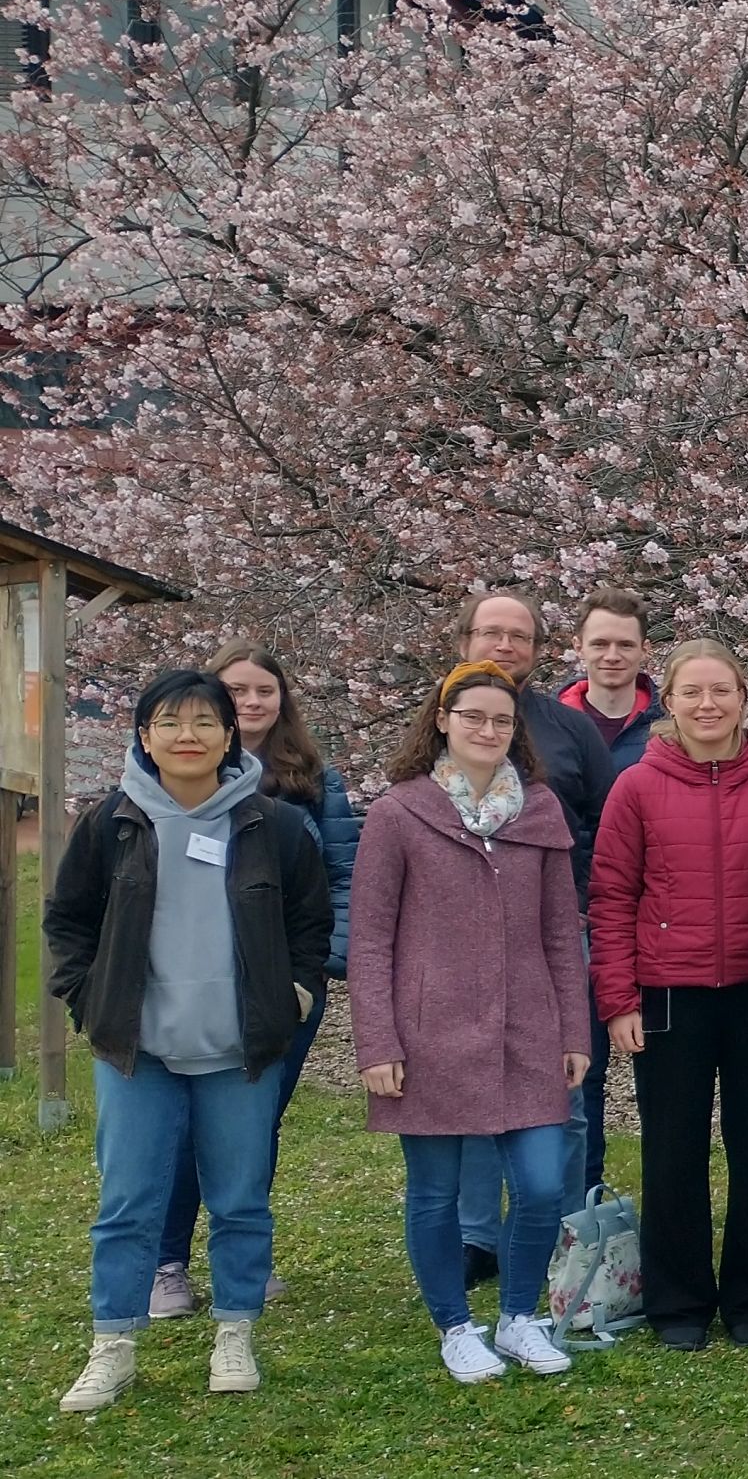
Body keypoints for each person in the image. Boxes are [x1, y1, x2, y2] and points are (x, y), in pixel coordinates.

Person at [49, 670, 332, 1413]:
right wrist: (91, 999)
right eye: (169, 721)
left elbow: (310, 923)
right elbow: (67, 922)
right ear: (143, 736)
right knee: (128, 1201)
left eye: (205, 721)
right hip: (137, 1052)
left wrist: (294, 995)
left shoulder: (271, 825)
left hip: (239, 1054)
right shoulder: (111, 822)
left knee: (240, 1199)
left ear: (229, 735)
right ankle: (113, 1342)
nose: (188, 734)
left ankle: (234, 1330)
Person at [351, 663, 590, 1384]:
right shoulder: (400, 812)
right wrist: (378, 1039)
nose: (488, 730)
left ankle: (519, 1317)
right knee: (436, 1193)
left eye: (502, 720)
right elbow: (369, 936)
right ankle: (456, 1325)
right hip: (429, 1033)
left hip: (529, 1029)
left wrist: (575, 1031)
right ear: (443, 720)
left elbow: (559, 933)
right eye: (474, 716)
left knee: (544, 1183)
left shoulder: (539, 812)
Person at [591, 639, 748, 1351]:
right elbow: (612, 895)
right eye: (693, 692)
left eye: (722, 691)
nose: (708, 704)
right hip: (670, 994)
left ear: (746, 698)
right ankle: (677, 1303)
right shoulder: (636, 785)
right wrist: (619, 998)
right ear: (670, 701)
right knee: (672, 1152)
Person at [146, 645, 358, 1321]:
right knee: (184, 1126)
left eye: (265, 689)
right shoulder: (183, 775)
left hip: (285, 983)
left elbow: (345, 874)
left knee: (253, 1122)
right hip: (196, 979)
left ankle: (242, 1256)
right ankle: (166, 1262)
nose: (253, 700)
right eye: (237, 689)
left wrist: (324, 964)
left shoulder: (313, 778)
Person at [449, 592, 614, 1239]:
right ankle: (476, 1232)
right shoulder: (439, 724)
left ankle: (557, 1227)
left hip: (551, 937)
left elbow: (606, 824)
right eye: (491, 632)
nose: (505, 645)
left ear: (538, 651)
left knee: (560, 1092)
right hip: (454, 940)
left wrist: (579, 903)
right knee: (464, 1088)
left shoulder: (569, 728)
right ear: (464, 641)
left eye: (519, 636)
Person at [561, 587, 659, 772]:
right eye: (600, 644)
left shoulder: (670, 725)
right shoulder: (547, 723)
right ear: (579, 647)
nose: (612, 656)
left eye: (625, 645)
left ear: (645, 650)